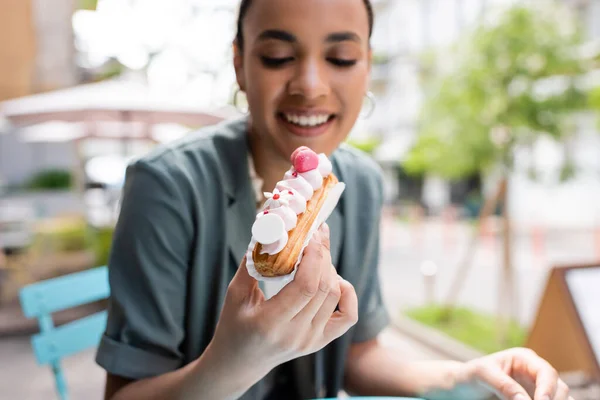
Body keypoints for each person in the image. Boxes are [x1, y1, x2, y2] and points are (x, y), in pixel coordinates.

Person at [96, 1, 572, 399]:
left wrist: (461, 375)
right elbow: (125, 391)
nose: (310, 84)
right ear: (239, 63)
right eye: (278, 55)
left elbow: (358, 354)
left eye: (341, 58)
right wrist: (234, 360)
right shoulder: (167, 186)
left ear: (367, 65)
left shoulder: (360, 182)